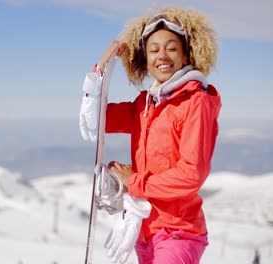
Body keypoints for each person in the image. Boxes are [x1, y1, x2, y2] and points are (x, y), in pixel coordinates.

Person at [79, 6, 221, 264]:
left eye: (171, 48)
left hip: (179, 234)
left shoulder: (196, 102)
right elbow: (98, 121)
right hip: (144, 232)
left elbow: (192, 175)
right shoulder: (145, 104)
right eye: (154, 50)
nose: (162, 56)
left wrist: (135, 182)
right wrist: (99, 72)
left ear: (186, 54)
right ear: (145, 59)